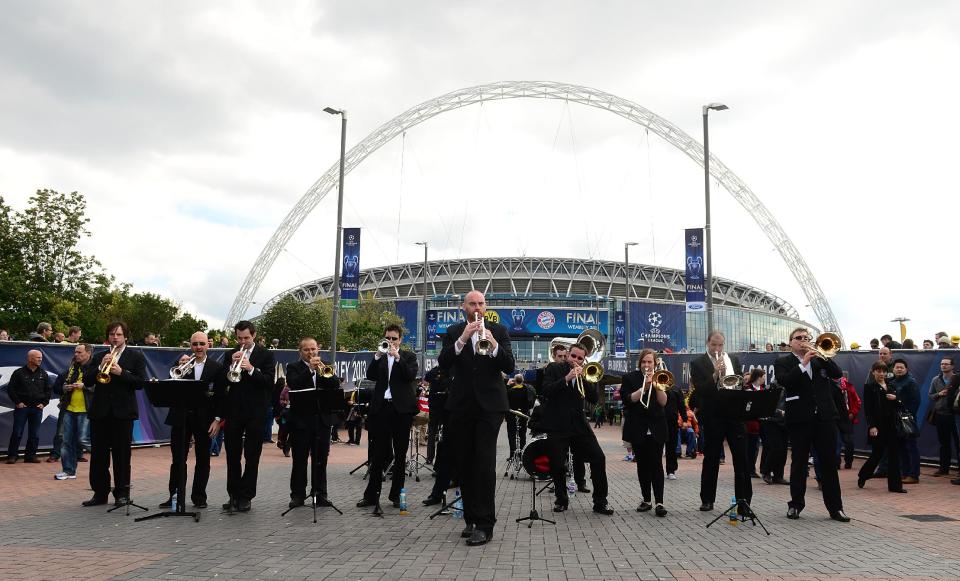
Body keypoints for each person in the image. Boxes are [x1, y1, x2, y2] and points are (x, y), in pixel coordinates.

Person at [437, 290, 514, 546]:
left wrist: (492, 344)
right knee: (465, 464)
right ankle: (471, 519)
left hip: (490, 406)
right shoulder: (453, 331)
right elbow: (443, 362)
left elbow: (509, 365)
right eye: (472, 303)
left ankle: (485, 524)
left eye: (481, 303)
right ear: (464, 307)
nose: (477, 307)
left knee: (483, 463)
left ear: (486, 305)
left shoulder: (499, 331)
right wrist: (462, 340)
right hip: (461, 405)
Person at [774, 327, 850, 522]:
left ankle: (836, 508)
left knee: (828, 463)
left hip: (825, 418)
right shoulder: (783, 362)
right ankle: (796, 505)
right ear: (791, 342)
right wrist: (804, 363)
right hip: (799, 419)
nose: (803, 341)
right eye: (798, 338)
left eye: (806, 338)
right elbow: (786, 382)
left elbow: (836, 373)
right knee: (799, 462)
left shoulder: (819, 359)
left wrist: (822, 356)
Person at [539, 342, 614, 516]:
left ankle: (600, 502)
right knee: (557, 464)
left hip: (579, 425)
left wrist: (584, 379)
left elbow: (594, 399)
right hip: (557, 425)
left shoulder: (586, 373)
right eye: (573, 356)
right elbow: (546, 391)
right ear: (567, 354)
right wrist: (567, 378)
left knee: (598, 458)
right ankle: (561, 500)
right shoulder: (554, 368)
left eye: (580, 358)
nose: (576, 360)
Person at [81, 321, 147, 507]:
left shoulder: (136, 356)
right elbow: (86, 379)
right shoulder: (100, 355)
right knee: (99, 456)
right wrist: (98, 366)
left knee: (122, 455)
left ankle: (122, 493)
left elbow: (140, 382)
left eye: (118, 334)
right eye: (112, 334)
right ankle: (100, 493)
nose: (115, 338)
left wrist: (122, 372)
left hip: (123, 412)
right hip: (100, 412)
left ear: (125, 336)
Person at [355, 324, 418, 509]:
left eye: (394, 339)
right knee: (378, 454)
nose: (390, 342)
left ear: (400, 340)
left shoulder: (409, 357)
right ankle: (371, 496)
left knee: (400, 455)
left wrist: (398, 358)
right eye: (388, 338)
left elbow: (410, 376)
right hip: (382, 409)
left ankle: (397, 495)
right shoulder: (380, 357)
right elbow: (370, 375)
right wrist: (377, 356)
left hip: (401, 411)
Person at [689, 331, 751, 513]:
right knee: (711, 458)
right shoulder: (698, 363)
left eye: (720, 345)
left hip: (734, 415)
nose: (717, 349)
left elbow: (740, 384)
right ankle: (707, 499)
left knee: (742, 459)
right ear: (707, 343)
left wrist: (730, 376)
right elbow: (700, 390)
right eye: (714, 345)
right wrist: (715, 374)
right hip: (713, 416)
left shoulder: (733, 359)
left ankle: (743, 502)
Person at [160, 332, 223, 509]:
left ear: (208, 345)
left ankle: (199, 496)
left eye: (202, 343)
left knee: (203, 459)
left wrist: (217, 419)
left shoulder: (216, 367)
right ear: (190, 345)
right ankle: (175, 496)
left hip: (205, 419)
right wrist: (178, 369)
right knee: (178, 459)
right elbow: (170, 385)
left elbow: (220, 396)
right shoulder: (181, 364)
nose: (198, 347)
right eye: (195, 344)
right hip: (181, 417)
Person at [218, 320, 275, 513]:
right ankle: (233, 494)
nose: (243, 342)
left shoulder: (265, 355)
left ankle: (246, 496)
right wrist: (230, 365)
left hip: (256, 412)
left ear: (254, 335)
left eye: (247, 338)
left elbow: (268, 382)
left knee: (252, 456)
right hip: (234, 411)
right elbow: (222, 382)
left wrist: (250, 368)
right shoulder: (229, 354)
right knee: (232, 456)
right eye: (239, 338)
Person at [284, 336, 340, 508]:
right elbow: (294, 383)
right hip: (301, 420)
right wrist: (309, 369)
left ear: (318, 350)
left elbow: (335, 384)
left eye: (313, 349)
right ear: (300, 352)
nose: (311, 352)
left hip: (321, 420)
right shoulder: (293, 367)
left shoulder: (326, 365)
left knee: (320, 459)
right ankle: (298, 495)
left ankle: (320, 494)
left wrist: (322, 371)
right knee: (299, 460)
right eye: (307, 350)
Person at [621, 349, 669, 516]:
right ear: (639, 363)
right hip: (638, 427)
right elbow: (628, 400)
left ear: (655, 363)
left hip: (656, 427)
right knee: (642, 465)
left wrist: (655, 385)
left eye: (650, 362)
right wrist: (644, 387)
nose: (647, 365)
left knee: (657, 464)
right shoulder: (630, 378)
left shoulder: (660, 377)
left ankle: (660, 502)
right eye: (644, 362)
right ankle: (646, 500)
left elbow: (663, 402)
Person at [857, 361, 907, 493]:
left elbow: (900, 405)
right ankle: (864, 475)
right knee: (877, 454)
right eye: (878, 371)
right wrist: (872, 426)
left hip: (892, 425)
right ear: (873, 372)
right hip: (878, 426)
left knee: (894, 455)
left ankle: (895, 486)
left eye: (884, 371)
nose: (881, 374)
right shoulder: (870, 387)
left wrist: (895, 399)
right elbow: (868, 409)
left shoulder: (891, 385)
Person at [54, 344, 94, 479]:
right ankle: (69, 471)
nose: (76, 354)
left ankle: (103, 457)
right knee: (66, 440)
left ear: (88, 353)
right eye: (75, 352)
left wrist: (85, 386)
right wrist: (65, 387)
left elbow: (101, 386)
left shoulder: (95, 367)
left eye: (79, 352)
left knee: (83, 439)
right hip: (69, 409)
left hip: (86, 410)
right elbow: (58, 386)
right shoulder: (73, 368)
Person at [5, 350, 51, 464]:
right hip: (22, 408)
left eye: (41, 357)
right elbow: (11, 389)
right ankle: (12, 456)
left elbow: (48, 390)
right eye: (37, 357)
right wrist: (18, 402)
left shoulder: (43, 373)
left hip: (37, 408)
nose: (40, 359)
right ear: (30, 358)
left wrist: (44, 403)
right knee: (17, 432)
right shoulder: (19, 373)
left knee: (34, 434)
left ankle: (30, 456)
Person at [890, 359, 920, 483]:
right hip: (895, 419)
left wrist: (907, 415)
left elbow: (915, 402)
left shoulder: (911, 382)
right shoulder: (891, 382)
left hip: (907, 419)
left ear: (906, 369)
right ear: (893, 369)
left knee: (911, 447)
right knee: (901, 447)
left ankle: (914, 475)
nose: (899, 369)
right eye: (897, 367)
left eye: (901, 367)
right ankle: (905, 472)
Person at [928, 356, 958, 476]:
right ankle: (944, 468)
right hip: (941, 414)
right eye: (942, 364)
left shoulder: (957, 379)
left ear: (952, 366)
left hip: (954, 415)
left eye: (946, 364)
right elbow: (930, 395)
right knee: (944, 443)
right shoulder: (936, 379)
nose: (943, 366)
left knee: (958, 443)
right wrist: (939, 394)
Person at [742, 368, 767, 477]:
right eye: (763, 377)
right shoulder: (748, 389)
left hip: (762, 422)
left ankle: (762, 468)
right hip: (751, 423)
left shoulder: (763, 389)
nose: (764, 379)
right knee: (751, 448)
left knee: (761, 446)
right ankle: (749, 469)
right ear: (758, 377)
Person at [505, 373, 536, 460]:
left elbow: (504, 400)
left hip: (511, 416)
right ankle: (522, 454)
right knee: (522, 435)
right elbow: (530, 404)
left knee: (512, 435)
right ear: (523, 381)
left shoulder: (510, 391)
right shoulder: (527, 391)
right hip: (523, 416)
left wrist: (507, 386)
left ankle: (512, 455)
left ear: (514, 381)